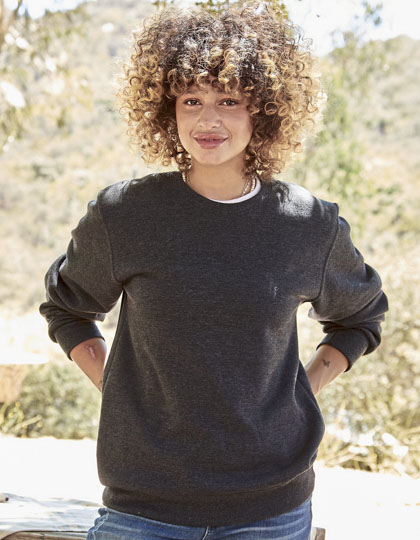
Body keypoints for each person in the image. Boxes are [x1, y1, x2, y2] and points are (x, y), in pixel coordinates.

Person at [39, 3, 388, 539]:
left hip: (271, 511)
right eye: (191, 101)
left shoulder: (308, 225)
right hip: (142, 508)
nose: (208, 121)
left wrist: (304, 387)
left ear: (263, 112)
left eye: (229, 101)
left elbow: (361, 317)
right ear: (167, 111)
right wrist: (112, 384)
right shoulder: (125, 215)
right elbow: (67, 308)